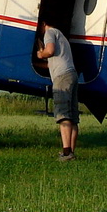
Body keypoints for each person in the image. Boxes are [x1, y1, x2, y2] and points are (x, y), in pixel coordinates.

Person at [35, 19, 79, 161]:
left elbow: (50, 51)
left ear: (43, 23)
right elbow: (53, 62)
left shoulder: (49, 33)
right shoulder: (61, 36)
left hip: (62, 77)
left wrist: (41, 54)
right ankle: (71, 152)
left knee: (63, 115)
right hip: (71, 75)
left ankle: (66, 153)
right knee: (72, 117)